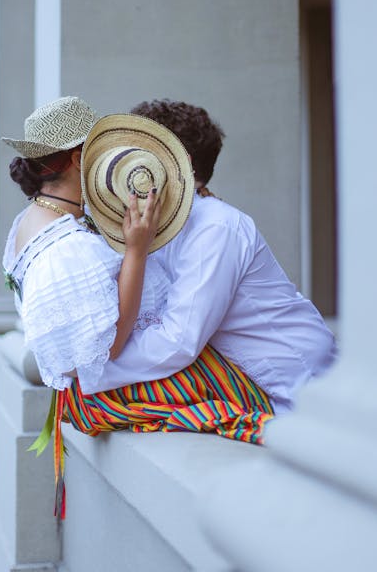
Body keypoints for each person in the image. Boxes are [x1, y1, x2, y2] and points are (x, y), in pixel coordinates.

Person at [2, 97, 274, 516]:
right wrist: (136, 251)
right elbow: (106, 345)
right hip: (98, 393)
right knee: (239, 400)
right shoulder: (67, 246)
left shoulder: (37, 220)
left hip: (85, 391)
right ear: (79, 158)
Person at [84, 99, 336, 415]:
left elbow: (178, 341)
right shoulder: (159, 225)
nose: (130, 164)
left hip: (298, 383)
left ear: (180, 162)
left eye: (142, 151)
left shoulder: (216, 227)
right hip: (254, 382)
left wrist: (89, 369)